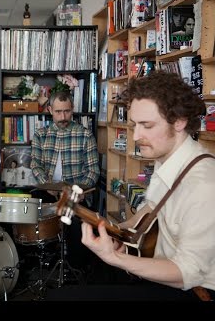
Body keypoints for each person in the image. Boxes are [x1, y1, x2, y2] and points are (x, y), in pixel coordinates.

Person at [81, 71, 215, 300]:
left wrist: (116, 258)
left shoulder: (203, 185)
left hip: (193, 289)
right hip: (157, 267)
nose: (136, 136)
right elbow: (149, 210)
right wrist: (117, 233)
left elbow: (187, 272)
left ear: (180, 121)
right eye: (134, 125)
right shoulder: (167, 159)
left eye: (147, 125)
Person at [30, 90, 100, 271]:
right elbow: (35, 165)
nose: (63, 116)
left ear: (72, 109)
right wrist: (48, 186)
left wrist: (78, 191)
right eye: (58, 112)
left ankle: (76, 270)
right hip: (47, 192)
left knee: (74, 225)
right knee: (30, 215)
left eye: (67, 111)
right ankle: (42, 265)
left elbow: (93, 172)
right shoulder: (40, 134)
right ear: (50, 110)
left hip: (76, 196)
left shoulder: (85, 135)